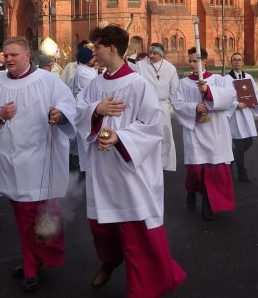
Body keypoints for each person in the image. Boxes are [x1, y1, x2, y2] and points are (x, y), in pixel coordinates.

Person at [74, 25, 186, 296]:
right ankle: (110, 261)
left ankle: (142, 288)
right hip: (102, 169)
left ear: (112, 49)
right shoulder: (95, 84)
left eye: (97, 47)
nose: (94, 53)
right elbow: (79, 111)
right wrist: (95, 110)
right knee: (101, 227)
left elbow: (152, 126)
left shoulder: (138, 84)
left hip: (129, 170)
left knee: (135, 231)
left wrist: (119, 138)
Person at [0, 36, 76, 292]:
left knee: (45, 217)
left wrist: (59, 114)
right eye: (5, 55)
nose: (8, 59)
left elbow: (69, 105)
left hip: (43, 160)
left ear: (27, 55)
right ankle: (32, 263)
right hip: (12, 162)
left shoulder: (48, 80)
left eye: (14, 55)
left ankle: (37, 260)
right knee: (24, 218)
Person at [172, 47, 237, 221]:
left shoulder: (219, 80)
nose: (192, 64)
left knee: (215, 171)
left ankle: (208, 204)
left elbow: (230, 97)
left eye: (196, 60)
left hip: (216, 131)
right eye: (191, 61)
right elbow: (177, 104)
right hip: (195, 132)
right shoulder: (184, 83)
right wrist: (194, 107)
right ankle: (191, 191)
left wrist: (208, 93)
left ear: (204, 61)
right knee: (196, 169)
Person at [135, 42, 180, 171]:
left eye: (154, 53)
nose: (151, 55)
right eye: (150, 52)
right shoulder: (140, 65)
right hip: (147, 105)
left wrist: (176, 108)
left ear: (161, 54)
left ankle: (164, 163)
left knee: (165, 135)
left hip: (163, 105)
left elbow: (174, 89)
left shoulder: (170, 68)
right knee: (147, 134)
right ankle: (147, 162)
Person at [224, 52, 258, 183]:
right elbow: (224, 97)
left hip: (246, 113)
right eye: (234, 60)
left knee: (249, 141)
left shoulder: (249, 77)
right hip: (235, 115)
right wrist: (235, 104)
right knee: (239, 144)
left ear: (242, 62)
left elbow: (255, 93)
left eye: (239, 60)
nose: (237, 62)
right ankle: (242, 172)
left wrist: (254, 102)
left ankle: (229, 162)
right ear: (231, 62)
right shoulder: (226, 79)